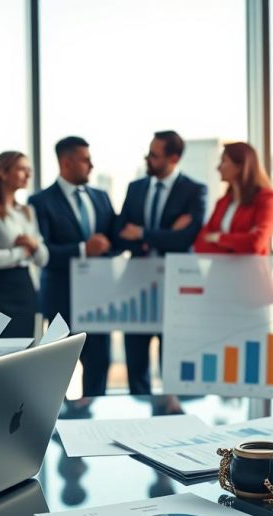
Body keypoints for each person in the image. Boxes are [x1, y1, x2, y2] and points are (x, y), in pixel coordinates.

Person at [114, 130, 206, 396]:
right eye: (148, 153)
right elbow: (121, 234)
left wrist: (143, 233)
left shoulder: (194, 190)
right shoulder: (136, 187)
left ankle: (170, 419)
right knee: (135, 362)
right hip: (137, 288)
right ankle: (138, 421)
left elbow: (185, 239)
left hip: (174, 288)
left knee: (173, 362)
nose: (148, 159)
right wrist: (163, 236)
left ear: (173, 158)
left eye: (154, 155)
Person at [28, 137, 116, 398]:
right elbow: (43, 254)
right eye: (85, 159)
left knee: (99, 366)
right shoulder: (40, 202)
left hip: (98, 301)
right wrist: (82, 249)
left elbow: (115, 240)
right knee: (57, 371)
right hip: (60, 299)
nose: (91, 165)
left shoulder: (101, 197)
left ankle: (93, 425)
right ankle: (57, 427)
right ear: (66, 162)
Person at [0, 151, 48, 338]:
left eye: (29, 170)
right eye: (22, 169)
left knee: (25, 347)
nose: (28, 175)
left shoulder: (27, 211)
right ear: (3, 173)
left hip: (25, 288)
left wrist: (34, 245)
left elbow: (43, 258)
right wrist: (25, 250)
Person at [194, 142, 273, 255]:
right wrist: (238, 244)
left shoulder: (267, 199)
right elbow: (199, 244)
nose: (218, 168)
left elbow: (255, 243)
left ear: (240, 166)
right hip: (220, 271)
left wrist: (217, 237)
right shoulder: (222, 202)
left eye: (223, 161)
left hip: (251, 271)